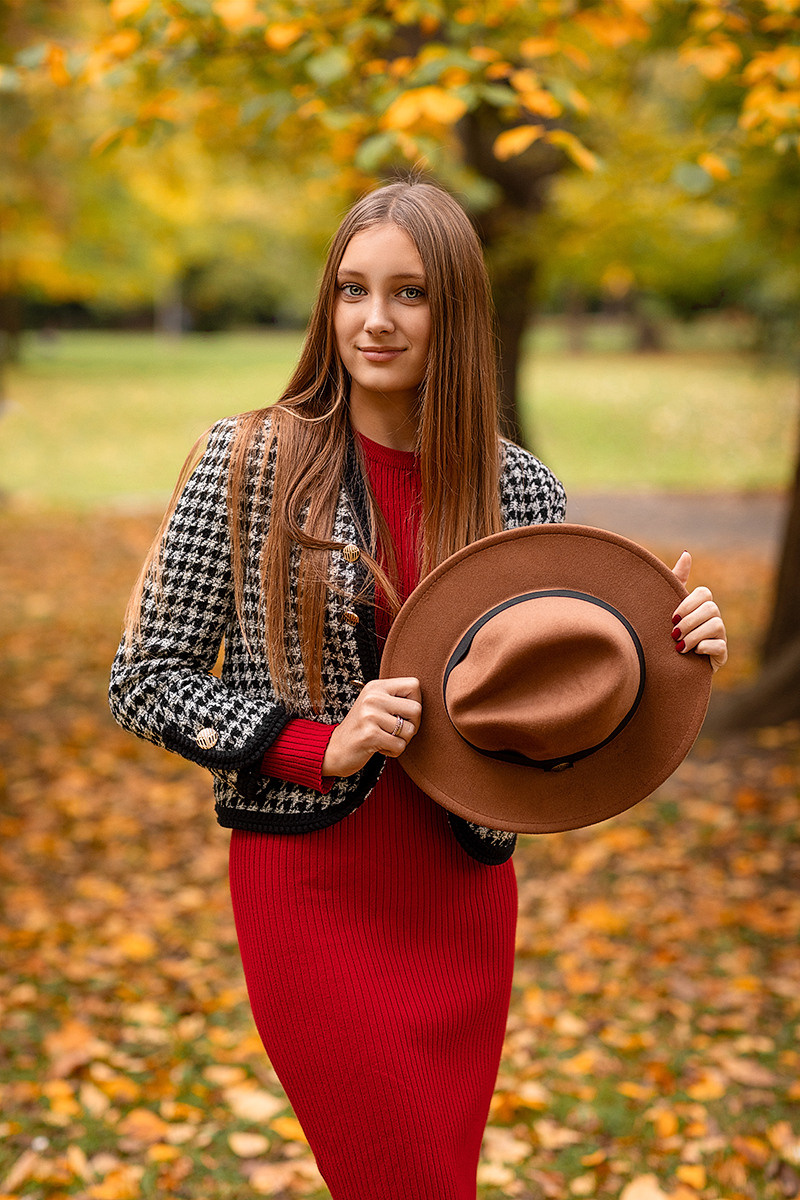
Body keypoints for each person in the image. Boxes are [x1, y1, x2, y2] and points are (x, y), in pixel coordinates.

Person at [109, 179, 728, 1199]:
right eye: (352, 290)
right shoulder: (250, 460)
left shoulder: (520, 491)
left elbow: (571, 697)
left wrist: (675, 651)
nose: (374, 320)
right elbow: (146, 680)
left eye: (408, 293)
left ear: (458, 311)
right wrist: (316, 743)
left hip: (463, 896)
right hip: (311, 890)